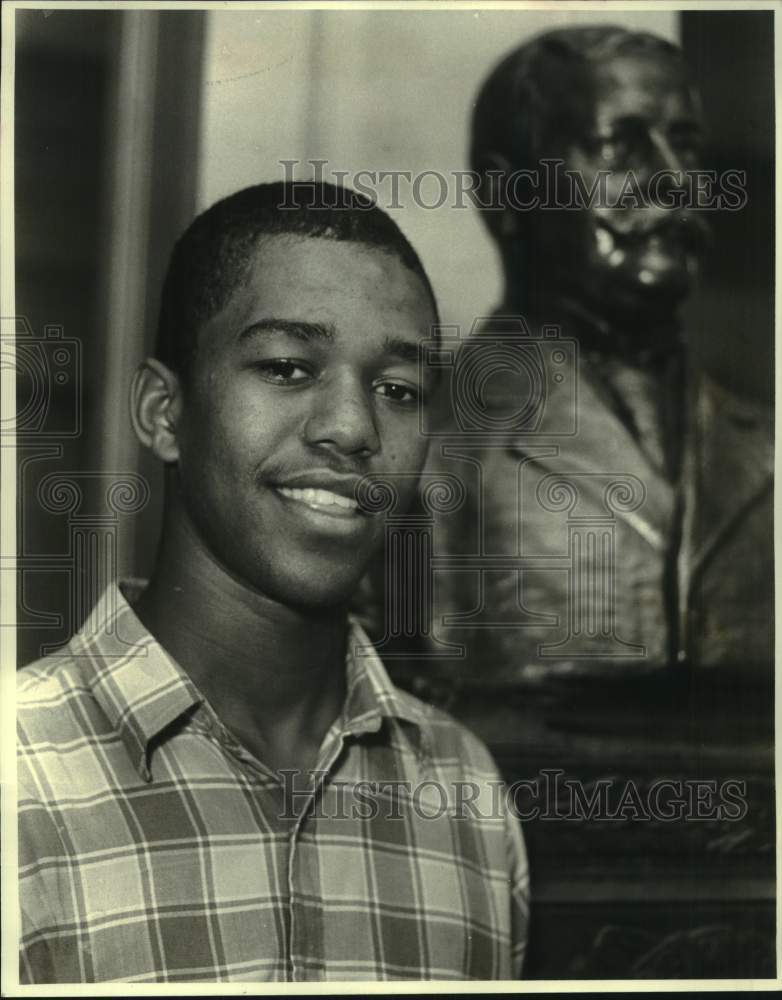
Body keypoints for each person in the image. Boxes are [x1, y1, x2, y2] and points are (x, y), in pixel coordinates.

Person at [17, 182, 529, 983]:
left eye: (398, 390)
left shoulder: (466, 794)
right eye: (288, 368)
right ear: (163, 412)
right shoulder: (22, 774)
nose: (354, 428)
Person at [422, 27, 772, 682]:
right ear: (508, 195)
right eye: (620, 147)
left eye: (686, 147)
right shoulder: (426, 444)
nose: (675, 182)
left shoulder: (767, 445)